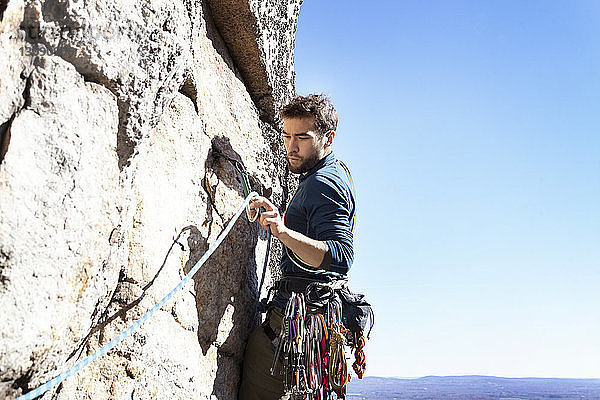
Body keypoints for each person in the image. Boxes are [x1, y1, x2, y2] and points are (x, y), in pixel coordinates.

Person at [238, 94, 356, 400]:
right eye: (286, 135)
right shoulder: (325, 172)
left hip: (294, 327)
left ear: (328, 138)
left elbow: (341, 257)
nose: (291, 147)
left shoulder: (324, 183)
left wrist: (282, 231)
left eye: (302, 138)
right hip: (309, 323)